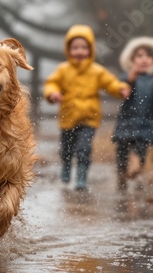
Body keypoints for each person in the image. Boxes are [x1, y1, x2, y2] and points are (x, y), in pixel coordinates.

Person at [44, 25, 131, 191]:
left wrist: (120, 88)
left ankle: (81, 177)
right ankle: (67, 165)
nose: (79, 51)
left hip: (89, 118)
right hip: (68, 117)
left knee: (84, 148)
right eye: (75, 47)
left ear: (90, 50)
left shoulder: (96, 71)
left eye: (84, 47)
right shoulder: (63, 70)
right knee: (66, 149)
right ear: (68, 50)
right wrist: (53, 93)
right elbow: (51, 83)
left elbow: (110, 82)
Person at [112, 37, 153, 190]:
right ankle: (121, 176)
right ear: (132, 59)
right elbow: (120, 88)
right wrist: (129, 82)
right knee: (122, 150)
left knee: (141, 149)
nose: (144, 60)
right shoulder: (127, 76)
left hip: (146, 123)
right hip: (126, 121)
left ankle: (136, 166)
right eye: (139, 56)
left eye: (148, 56)